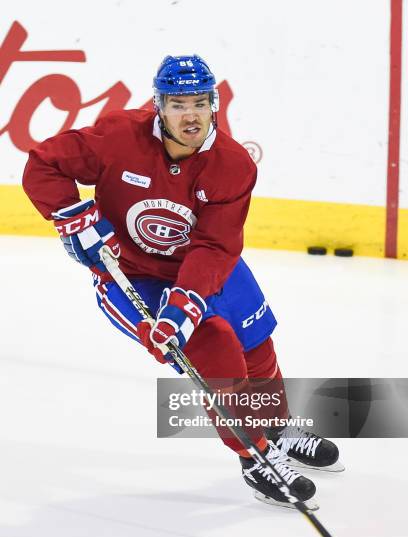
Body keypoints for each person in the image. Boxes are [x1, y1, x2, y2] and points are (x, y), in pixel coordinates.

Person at [22, 55, 342, 509]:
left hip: (207, 264)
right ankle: (256, 458)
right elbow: (44, 164)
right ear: (159, 106)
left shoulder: (233, 164)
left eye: (199, 102)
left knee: (256, 345)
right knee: (215, 349)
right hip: (133, 274)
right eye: (177, 104)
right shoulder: (118, 137)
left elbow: (215, 244)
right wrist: (72, 214)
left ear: (213, 104)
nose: (190, 114)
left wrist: (185, 303)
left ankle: (276, 425)